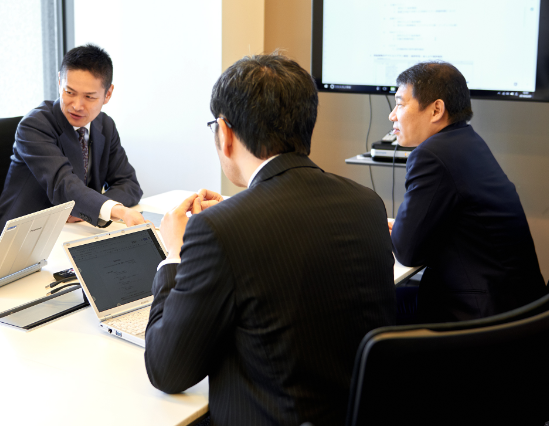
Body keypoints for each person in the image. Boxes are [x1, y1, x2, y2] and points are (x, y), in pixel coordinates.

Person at [144, 53, 396, 425]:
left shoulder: (220, 230)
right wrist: (233, 216)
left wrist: (175, 254)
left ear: (225, 133)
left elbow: (167, 370)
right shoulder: (367, 204)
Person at [388, 61, 546, 323]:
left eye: (400, 104)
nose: (393, 115)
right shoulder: (467, 141)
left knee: (366, 309)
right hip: (513, 303)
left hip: (479, 316)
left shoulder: (431, 155)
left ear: (436, 109)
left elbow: (407, 252)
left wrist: (393, 233)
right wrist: (407, 230)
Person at [0, 44, 143, 243]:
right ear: (59, 82)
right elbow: (64, 187)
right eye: (69, 92)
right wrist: (115, 210)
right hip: (20, 240)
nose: (77, 105)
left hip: (74, 233)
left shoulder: (105, 126)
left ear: (107, 94)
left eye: (89, 97)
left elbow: (129, 185)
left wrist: (87, 208)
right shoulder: (35, 125)